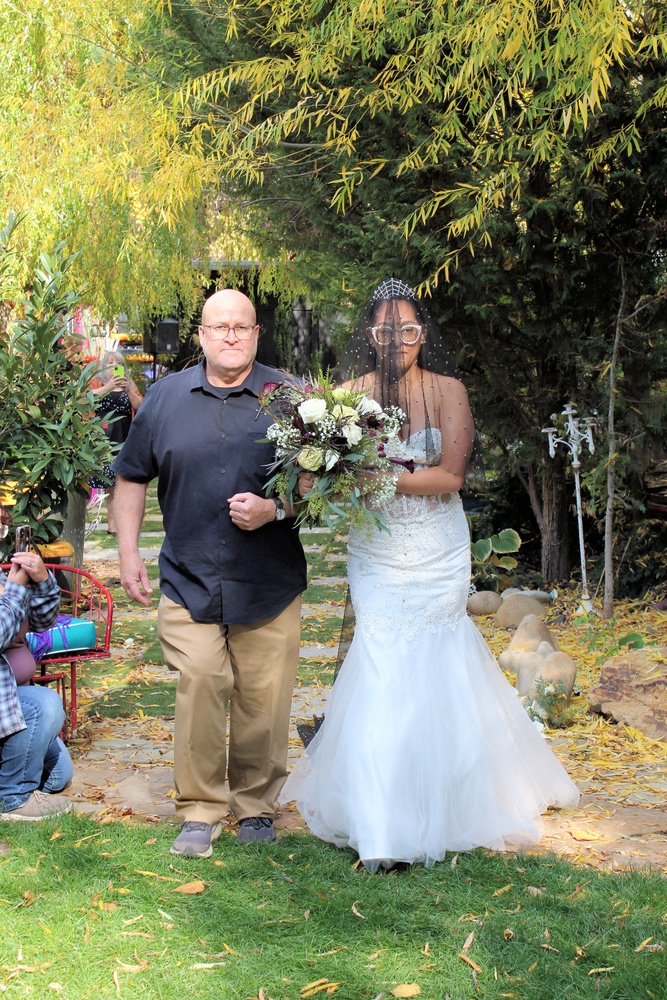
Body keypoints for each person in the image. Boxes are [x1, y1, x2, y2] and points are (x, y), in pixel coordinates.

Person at [281, 277, 580, 872]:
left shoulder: (449, 391)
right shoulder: (348, 396)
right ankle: (380, 825)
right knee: (382, 662)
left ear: (423, 333)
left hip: (437, 550)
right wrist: (316, 474)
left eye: (410, 330)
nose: (398, 340)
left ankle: (445, 803)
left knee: (433, 664)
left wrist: (379, 478)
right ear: (371, 334)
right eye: (386, 330)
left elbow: (450, 478)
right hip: (378, 551)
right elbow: (320, 470)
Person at [112, 288, 307, 858]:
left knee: (263, 697)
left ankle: (254, 807)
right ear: (201, 335)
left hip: (268, 578)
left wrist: (275, 509)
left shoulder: (290, 399)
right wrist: (128, 554)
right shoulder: (165, 400)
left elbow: (322, 487)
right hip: (189, 575)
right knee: (201, 680)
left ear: (255, 335)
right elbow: (130, 478)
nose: (229, 335)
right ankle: (199, 808)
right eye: (218, 326)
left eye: (240, 327)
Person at [0, 508, 73, 821]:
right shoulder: (9, 585)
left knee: (59, 776)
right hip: (10, 702)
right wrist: (15, 591)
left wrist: (42, 581)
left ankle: (12, 781)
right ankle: (12, 798)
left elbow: (43, 622)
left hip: (15, 697)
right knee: (46, 703)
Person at [88, 350, 144, 535]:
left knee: (124, 484)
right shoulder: (97, 383)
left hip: (125, 439)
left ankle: (124, 523)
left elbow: (140, 407)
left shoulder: (130, 385)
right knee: (109, 483)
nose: (113, 365)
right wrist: (108, 387)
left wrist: (127, 389)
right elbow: (84, 399)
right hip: (103, 439)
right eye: (109, 362)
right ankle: (112, 524)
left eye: (117, 362)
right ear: (103, 366)